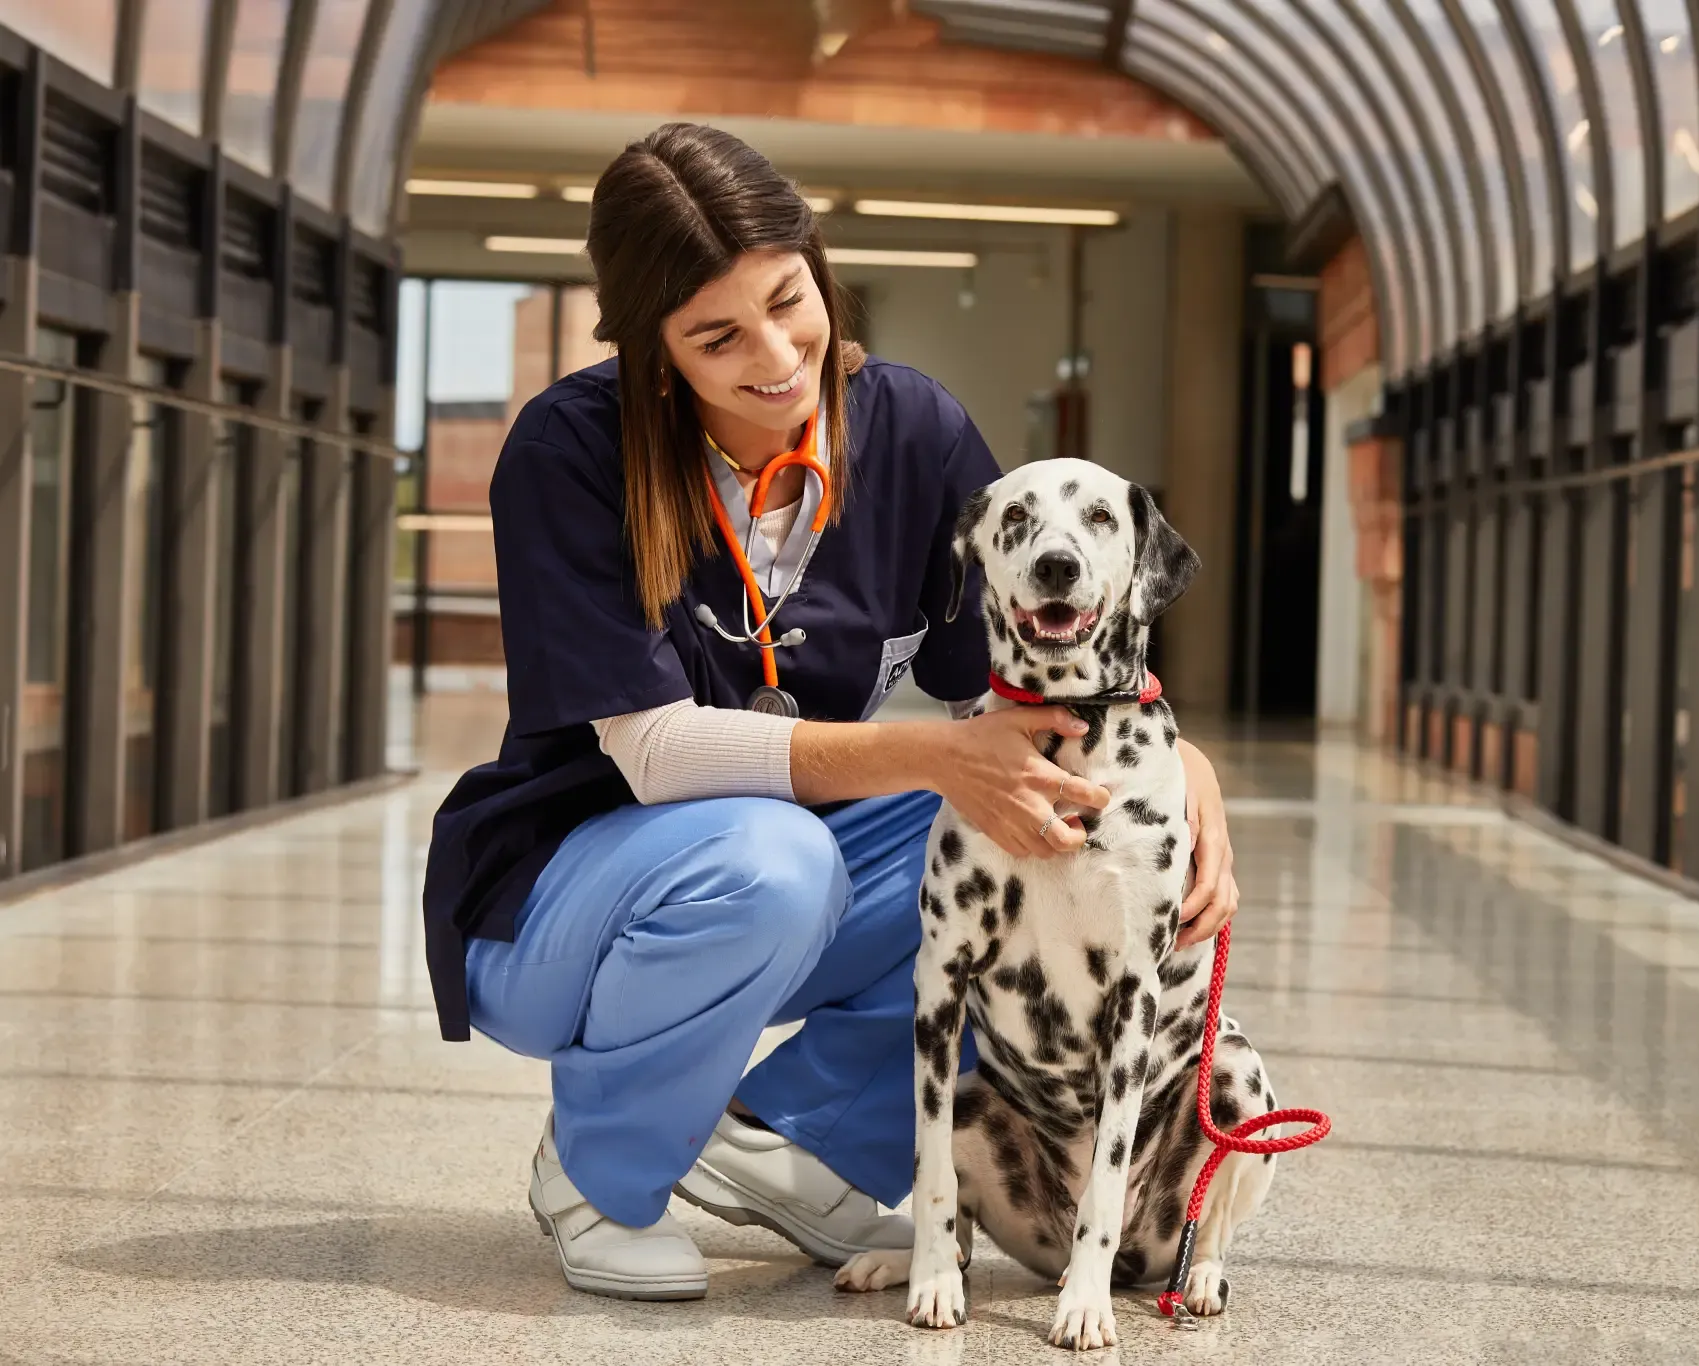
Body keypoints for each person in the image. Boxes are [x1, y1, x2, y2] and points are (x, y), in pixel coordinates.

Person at [420, 122, 1240, 1301]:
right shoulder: (568, 449)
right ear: (653, 354)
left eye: (787, 300)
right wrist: (935, 754)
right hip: (556, 904)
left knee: (1043, 829)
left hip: (771, 872)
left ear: (818, 270)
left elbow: (1028, 664)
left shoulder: (910, 431)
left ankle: (787, 1146)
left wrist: (1176, 766)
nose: (774, 354)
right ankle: (596, 1173)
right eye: (717, 334)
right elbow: (653, 753)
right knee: (778, 854)